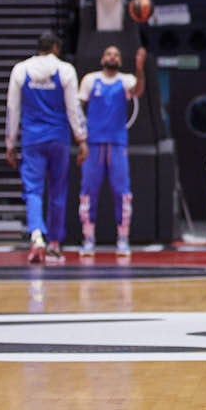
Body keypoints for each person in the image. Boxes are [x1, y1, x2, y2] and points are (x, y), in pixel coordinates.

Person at [5, 31, 88, 264]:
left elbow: (13, 109)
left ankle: (36, 236)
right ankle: (54, 244)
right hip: (58, 138)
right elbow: (74, 109)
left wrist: (10, 143)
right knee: (58, 190)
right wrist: (81, 139)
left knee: (33, 189)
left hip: (32, 139)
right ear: (56, 48)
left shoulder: (20, 70)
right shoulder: (65, 70)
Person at [77, 45, 146, 258]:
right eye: (108, 53)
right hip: (94, 143)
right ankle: (88, 238)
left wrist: (140, 68)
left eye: (116, 54)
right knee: (88, 193)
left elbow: (138, 90)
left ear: (120, 60)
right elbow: (77, 107)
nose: (112, 57)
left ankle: (123, 238)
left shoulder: (125, 80)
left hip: (117, 144)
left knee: (122, 193)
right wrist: (81, 136)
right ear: (102, 58)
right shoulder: (90, 80)